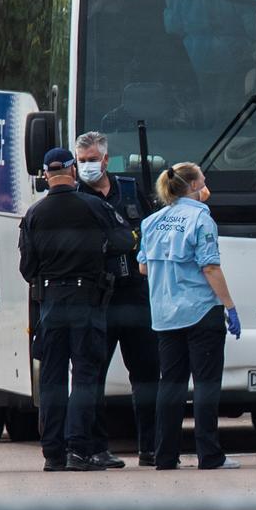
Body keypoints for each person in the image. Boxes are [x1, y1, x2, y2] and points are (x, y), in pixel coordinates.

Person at [18, 148, 136, 472]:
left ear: (45, 174)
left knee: (52, 379)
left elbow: (27, 268)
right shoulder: (95, 206)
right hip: (87, 303)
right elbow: (126, 241)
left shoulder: (34, 214)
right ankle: (78, 449)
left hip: (51, 304)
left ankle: (52, 453)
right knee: (84, 377)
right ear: (72, 171)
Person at [138, 162, 241, 471]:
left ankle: (165, 455)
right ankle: (209, 455)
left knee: (170, 385)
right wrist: (230, 306)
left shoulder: (152, 221)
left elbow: (143, 267)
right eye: (204, 181)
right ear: (194, 186)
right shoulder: (201, 218)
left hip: (165, 313)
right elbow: (210, 266)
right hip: (200, 311)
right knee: (206, 384)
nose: (206, 186)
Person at [74, 131, 158, 469]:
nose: (88, 166)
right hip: (99, 297)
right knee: (92, 376)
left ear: (106, 160)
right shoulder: (75, 196)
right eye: (82, 161)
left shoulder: (128, 189)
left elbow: (151, 228)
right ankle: (97, 447)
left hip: (135, 294)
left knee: (148, 374)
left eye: (93, 160)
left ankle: (152, 446)